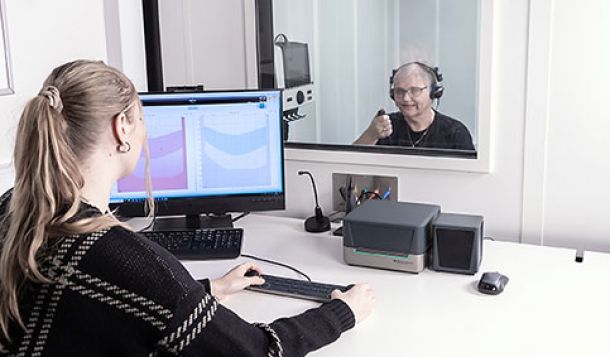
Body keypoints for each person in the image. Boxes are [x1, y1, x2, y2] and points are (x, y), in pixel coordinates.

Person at [0, 60, 375, 356]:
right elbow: (260, 352)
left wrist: (207, 289)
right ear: (122, 129)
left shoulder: (12, 209)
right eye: (143, 117)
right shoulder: (125, 257)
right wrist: (342, 313)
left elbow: (91, 310)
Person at [353, 62, 475, 150]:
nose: (406, 98)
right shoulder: (385, 127)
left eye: (415, 90)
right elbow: (351, 162)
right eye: (399, 91)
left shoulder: (455, 133)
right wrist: (371, 134)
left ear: (434, 93)